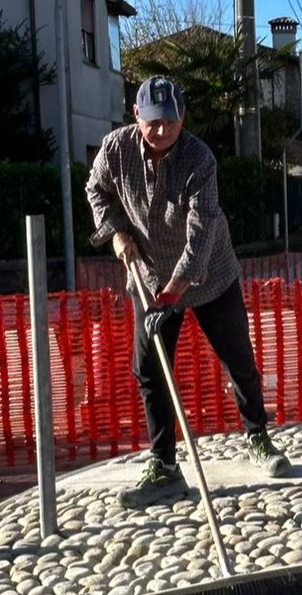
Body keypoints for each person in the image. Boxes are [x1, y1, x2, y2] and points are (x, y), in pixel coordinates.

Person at [86, 75, 289, 507]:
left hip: (209, 274)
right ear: (136, 115)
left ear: (183, 117)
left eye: (172, 122)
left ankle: (257, 436)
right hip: (149, 275)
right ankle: (163, 465)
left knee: (238, 358)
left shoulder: (199, 160)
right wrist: (117, 233)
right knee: (149, 367)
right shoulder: (115, 149)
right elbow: (96, 190)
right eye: (154, 122)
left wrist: (173, 294)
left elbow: (201, 234)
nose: (163, 131)